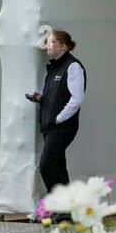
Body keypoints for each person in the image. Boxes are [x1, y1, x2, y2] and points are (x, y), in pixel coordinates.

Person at [26, 29, 86, 218]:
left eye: (52, 42)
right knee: (59, 168)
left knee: (46, 165)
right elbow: (58, 96)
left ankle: (58, 206)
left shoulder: (72, 67)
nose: (47, 46)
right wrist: (42, 99)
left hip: (62, 127)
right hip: (49, 126)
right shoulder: (53, 68)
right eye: (47, 42)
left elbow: (76, 99)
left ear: (63, 46)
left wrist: (59, 118)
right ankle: (67, 211)